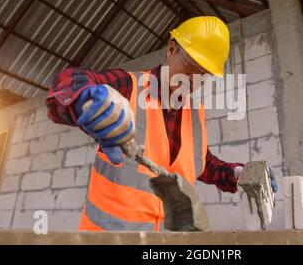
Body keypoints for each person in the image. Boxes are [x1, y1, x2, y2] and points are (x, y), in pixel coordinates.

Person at [46, 16, 277, 231]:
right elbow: (71, 80)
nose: (194, 80)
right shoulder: (130, 86)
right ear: (171, 49)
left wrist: (236, 172)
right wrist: (83, 99)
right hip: (108, 236)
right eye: (191, 66)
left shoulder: (195, 115)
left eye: (203, 74)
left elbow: (202, 163)